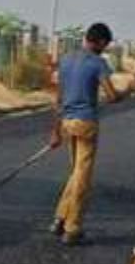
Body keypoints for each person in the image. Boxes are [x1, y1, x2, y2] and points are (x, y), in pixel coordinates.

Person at [48, 22, 122, 246]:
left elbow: (59, 99)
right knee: (82, 176)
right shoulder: (98, 63)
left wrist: (55, 131)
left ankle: (60, 218)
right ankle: (73, 227)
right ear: (99, 42)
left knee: (76, 172)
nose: (105, 49)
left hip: (67, 122)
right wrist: (125, 92)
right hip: (86, 122)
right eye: (105, 45)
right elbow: (111, 96)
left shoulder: (67, 60)